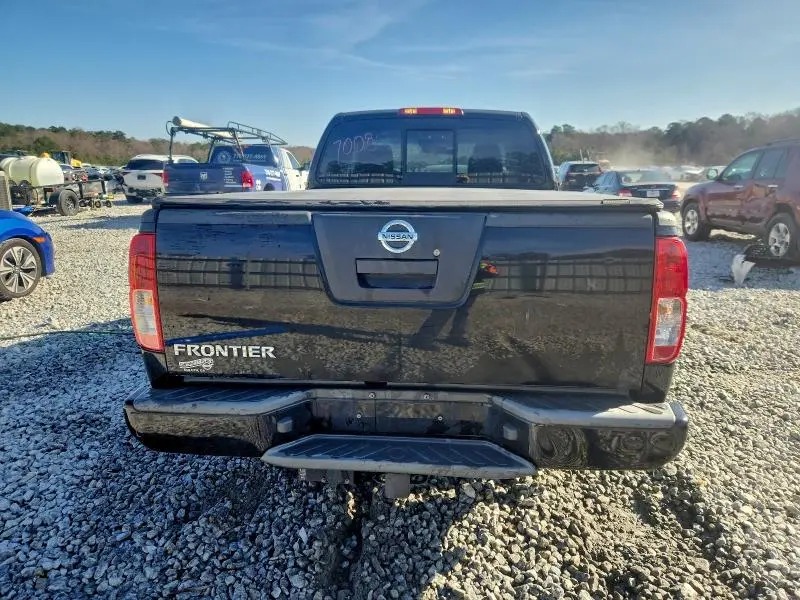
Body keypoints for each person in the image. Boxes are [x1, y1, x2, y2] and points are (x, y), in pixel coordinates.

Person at [410, 260, 498, 348]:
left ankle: (456, 336)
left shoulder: (477, 257)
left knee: (462, 313)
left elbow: (485, 268)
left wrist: (488, 270)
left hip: (471, 290)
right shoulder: (459, 255)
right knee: (443, 312)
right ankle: (424, 338)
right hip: (454, 287)